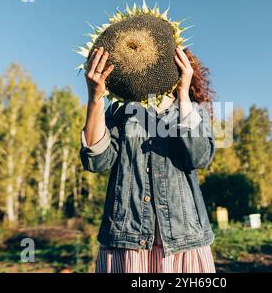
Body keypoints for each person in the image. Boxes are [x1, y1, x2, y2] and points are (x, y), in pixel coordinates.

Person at [80, 46, 216, 273]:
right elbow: (96, 161)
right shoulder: (119, 112)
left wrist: (182, 95)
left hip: (184, 243)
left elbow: (200, 157)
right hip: (126, 244)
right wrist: (95, 99)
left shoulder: (193, 111)